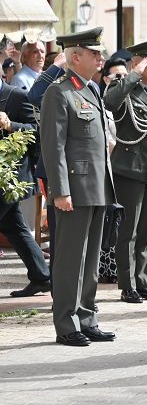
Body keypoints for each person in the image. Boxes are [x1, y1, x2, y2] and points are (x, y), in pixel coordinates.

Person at [40, 27, 116, 347]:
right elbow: (53, 147)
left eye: (100, 53)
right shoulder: (59, 92)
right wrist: (60, 191)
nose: (101, 58)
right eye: (94, 53)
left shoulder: (91, 90)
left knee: (90, 258)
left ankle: (86, 316)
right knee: (71, 258)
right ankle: (66, 323)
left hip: (97, 185)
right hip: (74, 187)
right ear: (75, 56)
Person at [103, 40, 147, 304]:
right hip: (130, 168)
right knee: (129, 230)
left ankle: (144, 281)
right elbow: (109, 102)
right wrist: (132, 74)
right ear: (137, 62)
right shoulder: (124, 89)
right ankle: (127, 283)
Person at [1, 73, 49, 298]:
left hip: (11, 179)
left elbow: (38, 132)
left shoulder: (17, 96)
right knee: (15, 227)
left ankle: (43, 276)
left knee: (15, 227)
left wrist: (10, 125)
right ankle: (42, 276)